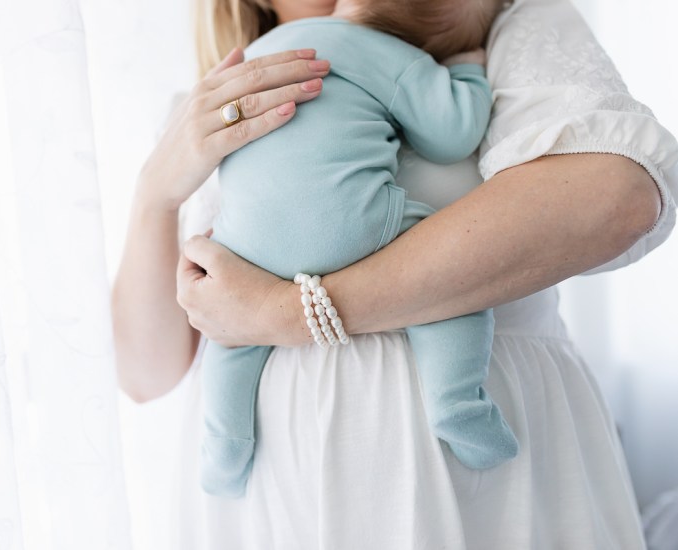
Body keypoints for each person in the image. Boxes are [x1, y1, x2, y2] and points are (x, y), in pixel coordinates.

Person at [112, 0, 678, 547]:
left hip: (468, 490)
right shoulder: (203, 103)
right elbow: (146, 373)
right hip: (270, 498)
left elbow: (616, 197)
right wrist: (154, 196)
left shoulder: (479, 17)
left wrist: (289, 313)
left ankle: (454, 403)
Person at [200, 0, 518, 500]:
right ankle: (457, 403)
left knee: (232, 334)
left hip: (246, 248)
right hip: (353, 223)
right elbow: (453, 135)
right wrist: (466, 71)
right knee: (449, 273)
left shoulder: (256, 55)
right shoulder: (391, 54)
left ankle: (223, 442)